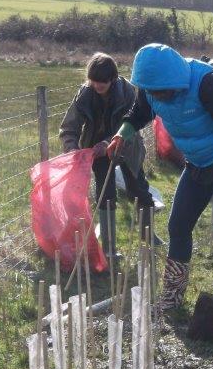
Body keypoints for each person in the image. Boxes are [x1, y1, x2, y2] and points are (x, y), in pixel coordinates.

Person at [107, 45, 213, 328]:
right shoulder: (150, 89)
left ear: (174, 80)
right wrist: (122, 135)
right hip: (196, 163)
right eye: (153, 92)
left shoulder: (205, 83)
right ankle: (172, 296)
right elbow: (138, 113)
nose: (158, 96)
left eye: (162, 91)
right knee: (178, 226)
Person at [59, 52, 160, 259]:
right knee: (106, 196)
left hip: (127, 146)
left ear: (112, 79)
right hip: (97, 151)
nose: (97, 86)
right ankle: (109, 248)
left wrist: (109, 142)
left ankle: (148, 235)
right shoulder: (84, 95)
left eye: (102, 82)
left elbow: (131, 125)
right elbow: (69, 127)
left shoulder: (128, 92)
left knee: (139, 190)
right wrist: (72, 148)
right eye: (93, 81)